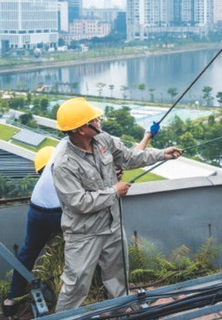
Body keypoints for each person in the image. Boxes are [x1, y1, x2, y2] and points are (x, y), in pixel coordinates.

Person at [51, 97, 184, 312]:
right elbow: (79, 202)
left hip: (112, 225)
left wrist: (162, 154)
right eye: (94, 119)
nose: (99, 120)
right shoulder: (63, 164)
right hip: (84, 233)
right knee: (76, 284)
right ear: (82, 129)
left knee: (118, 279)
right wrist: (115, 191)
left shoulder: (103, 140)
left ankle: (121, 313)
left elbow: (129, 157)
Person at [2, 145, 64, 317]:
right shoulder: (64, 169)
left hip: (38, 214)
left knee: (28, 252)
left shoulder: (41, 185)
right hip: (62, 213)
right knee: (89, 243)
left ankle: (11, 299)